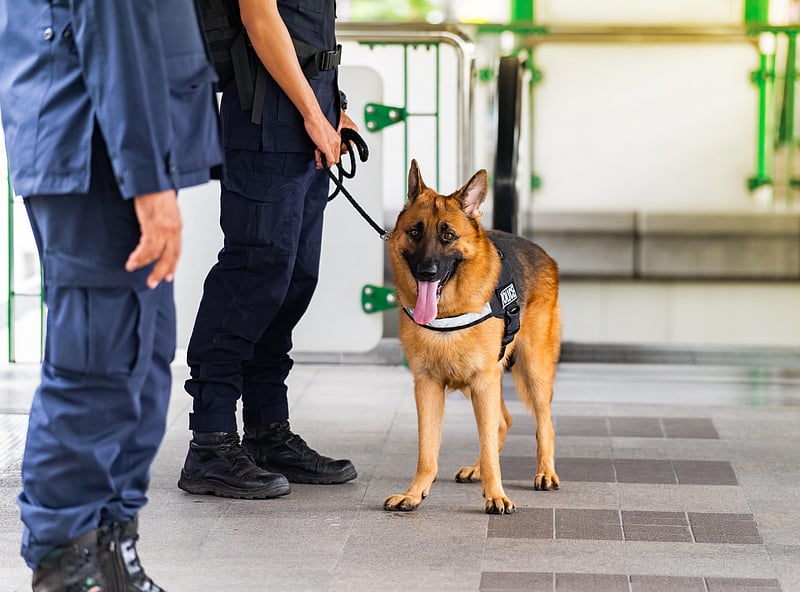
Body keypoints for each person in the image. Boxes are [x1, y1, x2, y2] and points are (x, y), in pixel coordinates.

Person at [0, 1, 223, 590]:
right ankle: (63, 564)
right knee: (97, 367)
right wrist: (148, 180)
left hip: (112, 144)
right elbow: (113, 20)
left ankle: (109, 550)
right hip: (96, 148)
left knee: (142, 367)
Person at [177, 0, 358, 499]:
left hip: (304, 115)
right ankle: (210, 442)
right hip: (266, 121)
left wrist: (331, 109)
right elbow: (260, 20)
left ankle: (267, 431)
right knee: (252, 277)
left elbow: (307, 27)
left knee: (293, 280)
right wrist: (312, 114)